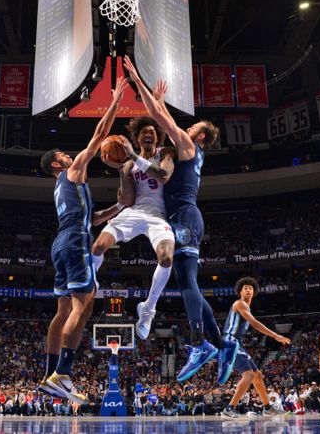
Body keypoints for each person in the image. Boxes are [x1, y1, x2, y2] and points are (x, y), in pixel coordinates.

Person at [123, 55, 229, 382]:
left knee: (187, 283)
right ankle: (220, 344)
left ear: (197, 136)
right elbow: (164, 116)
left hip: (184, 217)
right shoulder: (191, 151)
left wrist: (138, 82)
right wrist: (160, 103)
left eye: (191, 127)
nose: (185, 127)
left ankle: (199, 343)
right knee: (187, 282)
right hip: (186, 216)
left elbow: (158, 118)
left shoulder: (186, 145)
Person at [37, 76, 129, 403]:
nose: (68, 153)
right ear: (57, 164)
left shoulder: (61, 189)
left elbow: (92, 218)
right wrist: (116, 99)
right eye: (62, 153)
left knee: (63, 309)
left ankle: (50, 374)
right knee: (84, 301)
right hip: (75, 241)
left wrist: (119, 207)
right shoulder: (73, 171)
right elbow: (100, 135)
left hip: (62, 240)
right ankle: (63, 372)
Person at [91, 116, 176, 340]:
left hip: (158, 215)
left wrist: (132, 156)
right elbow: (127, 200)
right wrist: (121, 169)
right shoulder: (128, 163)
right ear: (137, 138)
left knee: (166, 258)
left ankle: (148, 308)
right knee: (98, 246)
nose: (148, 135)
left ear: (157, 136)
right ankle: (90, 280)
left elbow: (164, 175)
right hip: (134, 211)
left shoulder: (165, 152)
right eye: (143, 132)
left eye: (152, 132)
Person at [219, 277, 290, 419]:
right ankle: (229, 408)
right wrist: (275, 335)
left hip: (236, 343)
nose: (248, 290)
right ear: (240, 291)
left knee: (257, 375)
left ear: (254, 292)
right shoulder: (240, 304)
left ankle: (267, 408)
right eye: (245, 288)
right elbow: (254, 322)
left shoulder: (247, 306)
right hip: (230, 342)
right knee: (249, 375)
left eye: (250, 288)